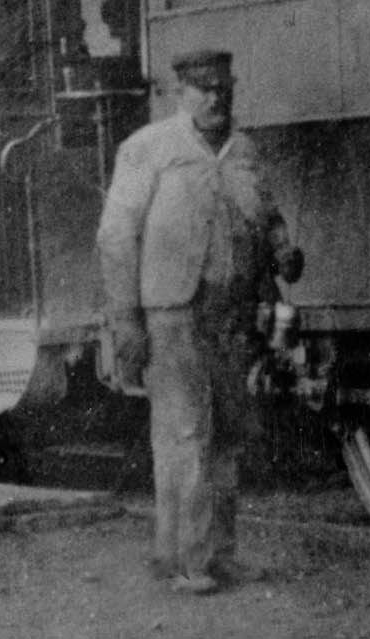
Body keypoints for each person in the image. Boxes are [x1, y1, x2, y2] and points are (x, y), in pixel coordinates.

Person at [96, 49, 303, 595]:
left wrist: (283, 249)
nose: (216, 98)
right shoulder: (147, 149)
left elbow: (268, 213)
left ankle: (219, 555)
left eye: (224, 88)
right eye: (204, 89)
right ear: (179, 93)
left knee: (229, 436)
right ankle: (186, 561)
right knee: (185, 435)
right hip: (173, 315)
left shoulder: (245, 150)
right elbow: (116, 238)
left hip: (232, 316)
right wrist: (127, 323)